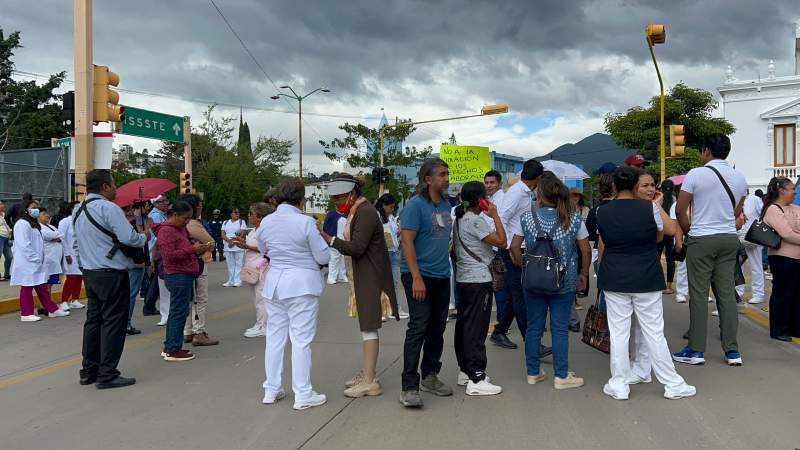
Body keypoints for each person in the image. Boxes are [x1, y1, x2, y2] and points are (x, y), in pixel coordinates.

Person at [597, 166, 696, 400]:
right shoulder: (649, 207)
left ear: (614, 185)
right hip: (646, 276)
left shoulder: (602, 211)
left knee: (619, 333)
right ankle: (672, 383)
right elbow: (671, 229)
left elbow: (604, 242)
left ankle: (619, 384)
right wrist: (658, 206)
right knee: (654, 332)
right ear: (634, 186)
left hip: (614, 276)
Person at [319, 174, 399, 398]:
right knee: (367, 326)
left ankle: (370, 380)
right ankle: (367, 373)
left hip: (370, 276)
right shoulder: (359, 210)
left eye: (340, 197)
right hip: (363, 275)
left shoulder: (364, 212)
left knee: (368, 327)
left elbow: (357, 247)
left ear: (352, 193)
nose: (337, 202)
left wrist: (330, 239)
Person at [510, 173, 590, 390]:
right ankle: (562, 375)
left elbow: (515, 246)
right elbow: (585, 248)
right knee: (560, 328)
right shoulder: (573, 218)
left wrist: (523, 265)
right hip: (564, 281)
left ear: (540, 195)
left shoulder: (526, 218)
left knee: (534, 327)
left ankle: (533, 372)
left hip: (533, 280)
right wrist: (583, 273)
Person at [674, 134, 747, 367]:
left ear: (706, 151)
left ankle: (696, 350)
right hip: (728, 238)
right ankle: (732, 351)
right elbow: (738, 210)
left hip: (702, 238)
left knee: (698, 294)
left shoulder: (696, 174)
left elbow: (680, 209)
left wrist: (688, 232)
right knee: (725, 293)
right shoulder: (739, 177)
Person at [258, 179, 330, 410]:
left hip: (274, 284)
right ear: (302, 199)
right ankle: (303, 393)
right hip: (301, 285)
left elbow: (263, 250)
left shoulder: (266, 222)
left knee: (275, 337)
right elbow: (323, 257)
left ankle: (271, 388)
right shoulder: (306, 222)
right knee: (301, 340)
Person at [73, 169, 147, 389]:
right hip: (111, 273)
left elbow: (76, 243)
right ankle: (107, 373)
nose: (115, 189)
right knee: (114, 323)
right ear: (105, 186)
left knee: (93, 322)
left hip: (90, 273)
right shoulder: (109, 208)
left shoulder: (78, 210)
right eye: (113, 184)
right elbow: (129, 238)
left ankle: (89, 371)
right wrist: (143, 236)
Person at [398, 158, 454, 408]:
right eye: (442, 174)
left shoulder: (446, 204)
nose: (447, 178)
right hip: (418, 275)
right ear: (428, 179)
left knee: (437, 328)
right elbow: (407, 242)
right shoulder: (415, 206)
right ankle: (409, 386)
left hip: (442, 275)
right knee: (419, 327)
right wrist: (417, 278)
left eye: (447, 174)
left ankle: (430, 376)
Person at [492, 159, 552, 359]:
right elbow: (501, 217)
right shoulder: (517, 193)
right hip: (513, 249)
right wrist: (509, 247)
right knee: (520, 295)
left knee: (513, 293)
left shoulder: (526, 192)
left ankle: (499, 332)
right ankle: (532, 343)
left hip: (519, 247)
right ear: (537, 178)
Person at [452, 181, 506, 396]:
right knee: (477, 329)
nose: (490, 200)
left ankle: (465, 370)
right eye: (486, 196)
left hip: (464, 279)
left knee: (465, 326)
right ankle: (477, 376)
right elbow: (501, 241)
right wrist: (495, 215)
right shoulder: (475, 221)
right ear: (480, 200)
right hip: (478, 280)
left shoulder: (459, 218)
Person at [153, 201, 212, 362]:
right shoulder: (166, 231)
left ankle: (171, 346)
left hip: (185, 274)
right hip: (177, 275)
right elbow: (170, 255)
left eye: (189, 218)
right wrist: (192, 250)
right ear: (175, 215)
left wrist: (194, 246)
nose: (187, 221)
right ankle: (173, 349)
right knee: (178, 312)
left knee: (179, 312)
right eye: (185, 218)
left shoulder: (179, 229)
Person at [11, 199, 69, 322]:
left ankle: (52, 310)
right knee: (27, 287)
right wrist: (35, 259)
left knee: (42, 287)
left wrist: (40, 260)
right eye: (33, 207)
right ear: (25, 209)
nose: (37, 210)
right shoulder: (22, 224)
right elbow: (24, 244)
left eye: (37, 207)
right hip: (28, 261)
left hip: (37, 262)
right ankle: (26, 313)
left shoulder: (33, 224)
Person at [761, 177, 800, 341]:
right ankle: (779, 329)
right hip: (782, 258)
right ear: (782, 191)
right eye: (791, 189)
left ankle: (795, 327)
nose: (795, 191)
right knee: (782, 293)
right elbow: (786, 233)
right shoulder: (773, 210)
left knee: (796, 294)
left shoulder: (795, 208)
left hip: (796, 258)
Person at [179, 194, 220, 347]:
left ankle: (188, 330)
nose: (201, 207)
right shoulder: (193, 223)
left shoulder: (178, 223)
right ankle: (199, 332)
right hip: (197, 264)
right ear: (194, 206)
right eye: (200, 204)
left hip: (184, 266)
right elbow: (211, 242)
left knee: (190, 299)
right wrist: (207, 246)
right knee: (200, 298)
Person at [237, 202, 271, 338]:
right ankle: (259, 323)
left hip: (262, 267)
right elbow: (251, 246)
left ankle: (264, 325)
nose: (249, 216)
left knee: (261, 298)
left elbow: (266, 248)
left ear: (260, 217)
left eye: (251, 214)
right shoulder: (253, 230)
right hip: (251, 266)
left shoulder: (265, 230)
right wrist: (241, 244)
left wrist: (246, 246)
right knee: (255, 297)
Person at [375, 193, 409, 319]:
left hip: (393, 252)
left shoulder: (391, 218)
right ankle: (382, 310)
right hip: (382, 253)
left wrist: (398, 233)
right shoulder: (376, 217)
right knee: (381, 283)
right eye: (391, 207)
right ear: (384, 206)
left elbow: (394, 234)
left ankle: (394, 308)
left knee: (393, 282)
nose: (392, 210)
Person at [738, 189, 766, 304]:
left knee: (756, 266)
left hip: (754, 237)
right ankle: (738, 292)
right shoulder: (736, 200)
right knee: (738, 266)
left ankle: (758, 294)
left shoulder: (754, 199)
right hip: (739, 237)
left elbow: (763, 214)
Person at [147, 195, 171, 326]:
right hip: (158, 253)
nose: (166, 203)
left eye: (165, 201)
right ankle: (165, 314)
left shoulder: (162, 215)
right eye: (162, 201)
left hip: (160, 253)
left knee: (162, 285)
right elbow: (157, 238)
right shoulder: (155, 216)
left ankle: (166, 313)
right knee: (161, 285)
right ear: (155, 204)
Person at [57, 205, 85, 311]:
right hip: (69, 254)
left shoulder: (82, 221)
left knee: (79, 277)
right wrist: (66, 254)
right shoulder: (65, 221)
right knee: (71, 277)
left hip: (81, 254)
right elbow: (62, 237)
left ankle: (75, 300)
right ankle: (64, 301)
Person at [125, 205, 146, 335]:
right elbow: (139, 240)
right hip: (135, 262)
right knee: (131, 294)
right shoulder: (132, 222)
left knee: (128, 293)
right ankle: (126, 323)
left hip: (125, 262)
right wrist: (143, 233)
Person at [38, 208, 65, 304]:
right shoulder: (39, 227)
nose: (47, 215)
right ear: (37, 216)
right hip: (47, 260)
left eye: (47, 213)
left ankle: (47, 303)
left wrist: (57, 237)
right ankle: (46, 305)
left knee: (50, 284)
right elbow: (48, 235)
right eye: (44, 214)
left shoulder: (51, 226)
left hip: (54, 260)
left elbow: (61, 235)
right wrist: (57, 236)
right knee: (46, 284)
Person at [657, 180, 677, 294]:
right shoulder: (675, 200)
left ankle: (659, 283)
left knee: (657, 258)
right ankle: (669, 286)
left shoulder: (659, 199)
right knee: (670, 260)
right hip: (671, 232)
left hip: (660, 232)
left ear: (662, 188)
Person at [322, 208, 348, 285]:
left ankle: (342, 275)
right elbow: (325, 227)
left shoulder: (347, 214)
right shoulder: (331, 214)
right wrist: (327, 238)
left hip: (344, 240)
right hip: (333, 239)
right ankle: (331, 277)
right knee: (334, 259)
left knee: (343, 258)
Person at [221, 208, 246, 287]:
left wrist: (234, 242)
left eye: (238, 212)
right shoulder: (225, 222)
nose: (237, 214)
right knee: (230, 264)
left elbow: (242, 232)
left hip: (238, 245)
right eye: (235, 212)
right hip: (228, 246)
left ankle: (238, 281)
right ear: (231, 214)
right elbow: (223, 234)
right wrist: (229, 241)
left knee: (238, 264)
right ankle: (231, 281)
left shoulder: (242, 222)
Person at [0, 201, 12, 281]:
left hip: (7, 237)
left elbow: (8, 225)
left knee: (9, 257)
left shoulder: (4, 215)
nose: (3, 205)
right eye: (0, 204)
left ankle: (7, 274)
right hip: (0, 236)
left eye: (2, 204)